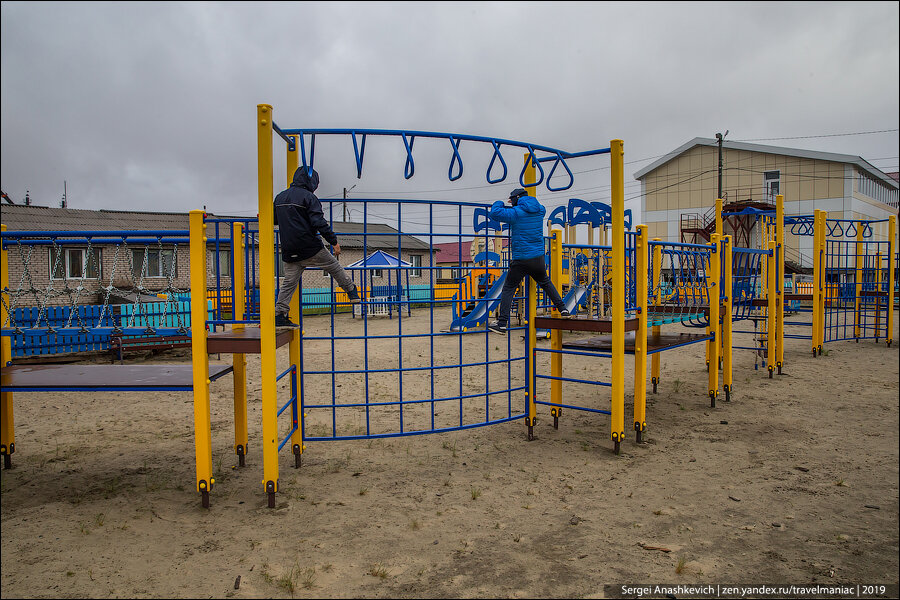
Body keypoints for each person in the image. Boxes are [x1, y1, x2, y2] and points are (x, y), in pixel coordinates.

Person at [273, 166, 359, 328]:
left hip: (289, 250)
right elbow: (318, 222)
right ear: (311, 181)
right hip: (310, 247)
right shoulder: (309, 198)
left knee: (289, 283)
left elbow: (274, 220)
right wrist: (334, 242)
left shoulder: (280, 198)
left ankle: (279, 314)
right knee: (333, 266)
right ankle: (351, 291)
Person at [487, 188, 569, 335]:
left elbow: (494, 213)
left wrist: (499, 202)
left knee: (509, 288)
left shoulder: (516, 213)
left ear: (517, 198)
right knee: (545, 282)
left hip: (521, 259)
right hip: (538, 258)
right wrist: (516, 202)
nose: (511, 202)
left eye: (512, 199)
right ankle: (563, 308)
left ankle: (502, 323)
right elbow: (538, 207)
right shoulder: (540, 211)